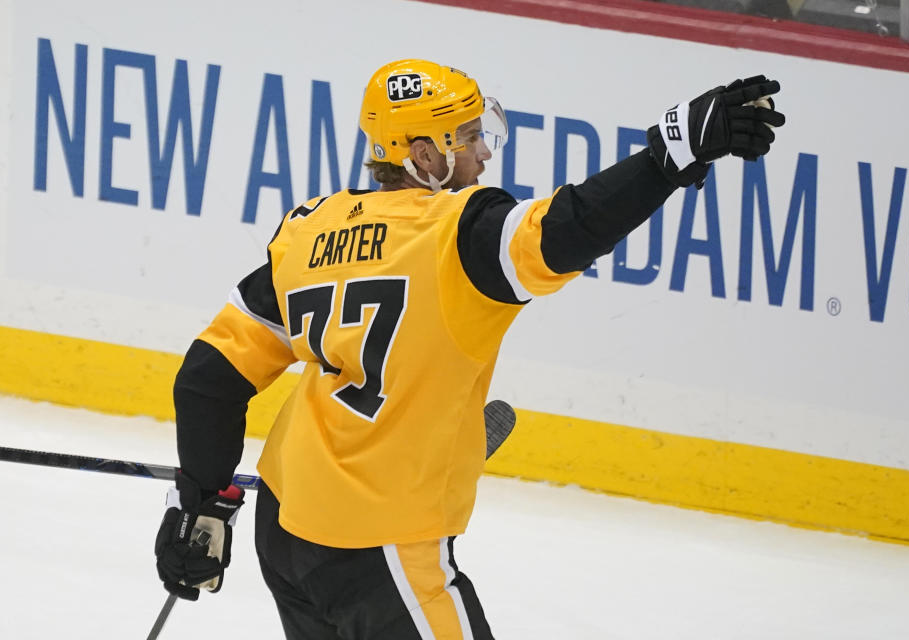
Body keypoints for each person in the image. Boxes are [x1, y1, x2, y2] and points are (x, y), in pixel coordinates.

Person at [154, 59, 785, 639]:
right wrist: (667, 157)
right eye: (468, 136)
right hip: (381, 549)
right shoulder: (458, 234)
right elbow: (570, 226)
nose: (483, 150)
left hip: (287, 528)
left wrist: (199, 506)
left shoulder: (306, 231)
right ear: (424, 153)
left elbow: (209, 379)